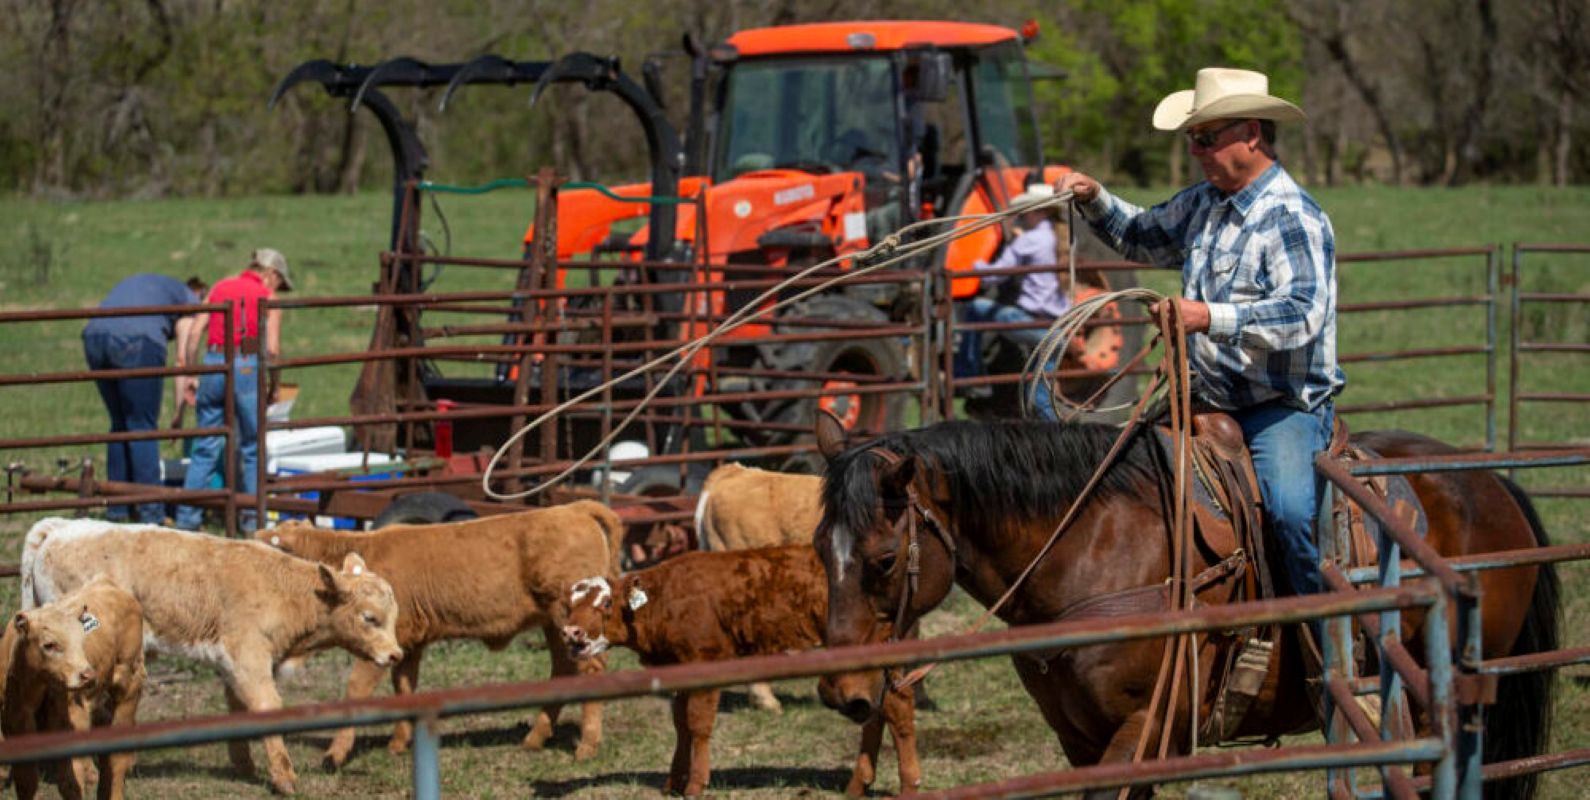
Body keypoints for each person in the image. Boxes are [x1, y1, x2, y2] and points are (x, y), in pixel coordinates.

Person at [1058, 67, 1346, 599]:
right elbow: (1139, 235)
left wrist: (1207, 317)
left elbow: (1303, 314)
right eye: (1193, 138)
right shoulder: (1202, 204)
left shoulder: (1291, 217)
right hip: (1204, 396)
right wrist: (1094, 196)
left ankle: (1321, 634)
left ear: (1252, 134)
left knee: (1287, 513)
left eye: (1207, 137)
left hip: (1278, 405)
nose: (1196, 150)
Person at [175, 249, 294, 532]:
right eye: (279, 282)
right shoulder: (268, 299)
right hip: (247, 364)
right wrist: (274, 385)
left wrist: (193, 374)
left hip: (214, 362)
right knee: (253, 446)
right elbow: (273, 350)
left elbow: (193, 335)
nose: (278, 288)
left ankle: (186, 520)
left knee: (206, 446)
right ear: (271, 274)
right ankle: (253, 521)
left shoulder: (220, 287)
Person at [82, 274, 208, 523]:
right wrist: (178, 413)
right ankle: (152, 512)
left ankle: (117, 507)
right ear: (200, 296)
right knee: (142, 427)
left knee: (120, 424)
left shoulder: (159, 286)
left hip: (94, 336)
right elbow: (182, 361)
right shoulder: (189, 302)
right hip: (136, 341)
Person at [954, 184, 1074, 419]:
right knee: (1040, 393)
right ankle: (1061, 439)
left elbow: (992, 277)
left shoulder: (1029, 240)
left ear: (1036, 211)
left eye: (1025, 211)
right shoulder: (1063, 238)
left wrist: (975, 265)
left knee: (976, 308)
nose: (1022, 215)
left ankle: (970, 375)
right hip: (1058, 329)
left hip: (1031, 325)